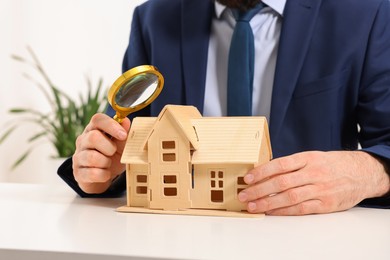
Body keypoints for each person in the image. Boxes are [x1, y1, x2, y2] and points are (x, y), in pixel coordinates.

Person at [58, 0, 390, 215]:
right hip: (179, 244)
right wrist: (101, 168)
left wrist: (367, 172)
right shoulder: (154, 18)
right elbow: (119, 145)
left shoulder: (367, 13)